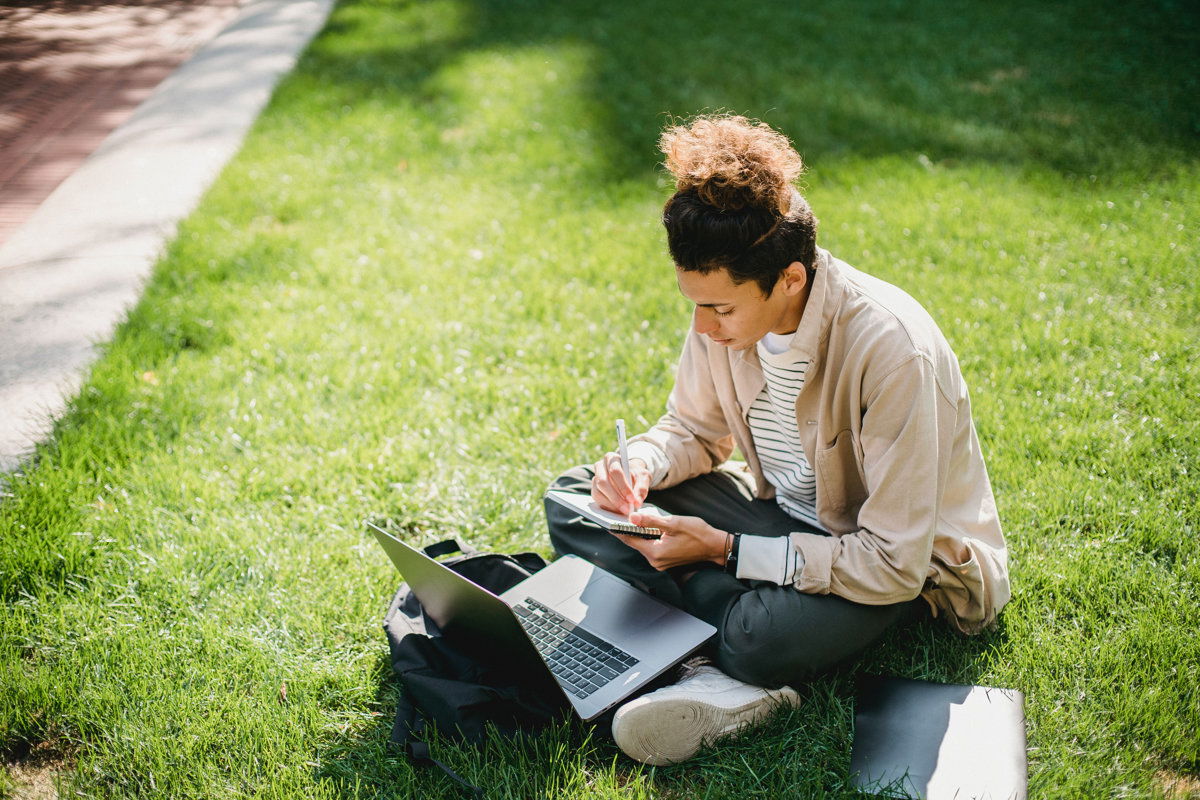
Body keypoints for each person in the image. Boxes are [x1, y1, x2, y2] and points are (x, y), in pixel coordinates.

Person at [544, 115, 1011, 766]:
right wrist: (641, 467)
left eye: (721, 308)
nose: (704, 327)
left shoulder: (895, 352)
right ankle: (709, 664)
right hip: (783, 518)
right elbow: (695, 432)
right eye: (695, 304)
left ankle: (693, 646)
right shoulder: (722, 320)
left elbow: (893, 562)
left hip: (891, 569)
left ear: (790, 279)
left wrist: (724, 551)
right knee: (573, 497)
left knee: (762, 639)